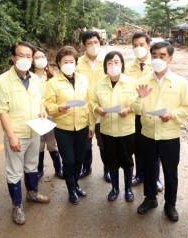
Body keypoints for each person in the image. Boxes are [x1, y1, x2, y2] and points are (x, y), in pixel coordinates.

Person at [133, 42, 188, 222]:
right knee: (149, 169)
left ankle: (170, 204)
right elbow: (135, 109)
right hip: (148, 134)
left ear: (170, 59)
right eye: (155, 56)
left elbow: (187, 107)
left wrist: (172, 114)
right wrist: (140, 98)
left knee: (170, 171)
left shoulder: (181, 82)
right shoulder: (143, 81)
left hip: (169, 135)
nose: (158, 59)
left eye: (162, 56)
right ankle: (150, 199)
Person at [0, 41, 50, 225]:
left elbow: (40, 99)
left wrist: (42, 110)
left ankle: (32, 193)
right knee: (14, 172)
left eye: (28, 56)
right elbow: (2, 110)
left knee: (32, 165)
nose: (25, 59)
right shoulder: (3, 80)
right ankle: (17, 205)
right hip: (17, 133)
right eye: (21, 55)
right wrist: (11, 136)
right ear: (13, 58)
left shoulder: (35, 78)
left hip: (34, 130)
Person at [45, 46, 93, 204]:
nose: (68, 64)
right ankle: (71, 189)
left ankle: (76, 184)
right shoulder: (52, 83)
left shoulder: (83, 80)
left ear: (75, 63)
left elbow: (89, 103)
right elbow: (48, 106)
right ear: (59, 63)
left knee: (79, 158)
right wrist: (59, 108)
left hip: (81, 125)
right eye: (65, 61)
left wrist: (91, 125)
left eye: (71, 61)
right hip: (63, 128)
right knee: (69, 160)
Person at [90, 51, 136, 202]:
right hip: (107, 130)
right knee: (112, 161)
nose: (113, 66)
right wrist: (98, 109)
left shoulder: (131, 82)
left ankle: (128, 189)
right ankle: (115, 189)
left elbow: (138, 103)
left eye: (116, 62)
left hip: (126, 130)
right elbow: (93, 102)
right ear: (105, 67)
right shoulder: (100, 83)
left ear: (122, 64)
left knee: (127, 160)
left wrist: (128, 110)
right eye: (109, 63)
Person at [125, 32, 163, 192]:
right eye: (134, 46)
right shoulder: (128, 68)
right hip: (134, 113)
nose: (138, 48)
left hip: (152, 113)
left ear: (149, 45)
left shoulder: (157, 65)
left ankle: (155, 178)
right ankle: (139, 174)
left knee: (155, 148)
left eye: (141, 45)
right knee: (138, 147)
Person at [76, 30, 109, 182]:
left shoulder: (107, 61)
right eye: (89, 43)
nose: (93, 46)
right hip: (84, 109)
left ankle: (107, 170)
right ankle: (86, 167)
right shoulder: (77, 63)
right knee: (84, 144)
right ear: (84, 46)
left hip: (102, 109)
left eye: (96, 42)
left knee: (104, 143)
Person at [32, 48, 63, 179]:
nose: (40, 59)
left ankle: (58, 168)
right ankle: (39, 169)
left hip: (49, 114)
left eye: (42, 56)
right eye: (37, 57)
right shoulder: (28, 76)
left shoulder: (52, 75)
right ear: (32, 61)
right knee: (38, 144)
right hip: (35, 115)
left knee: (52, 143)